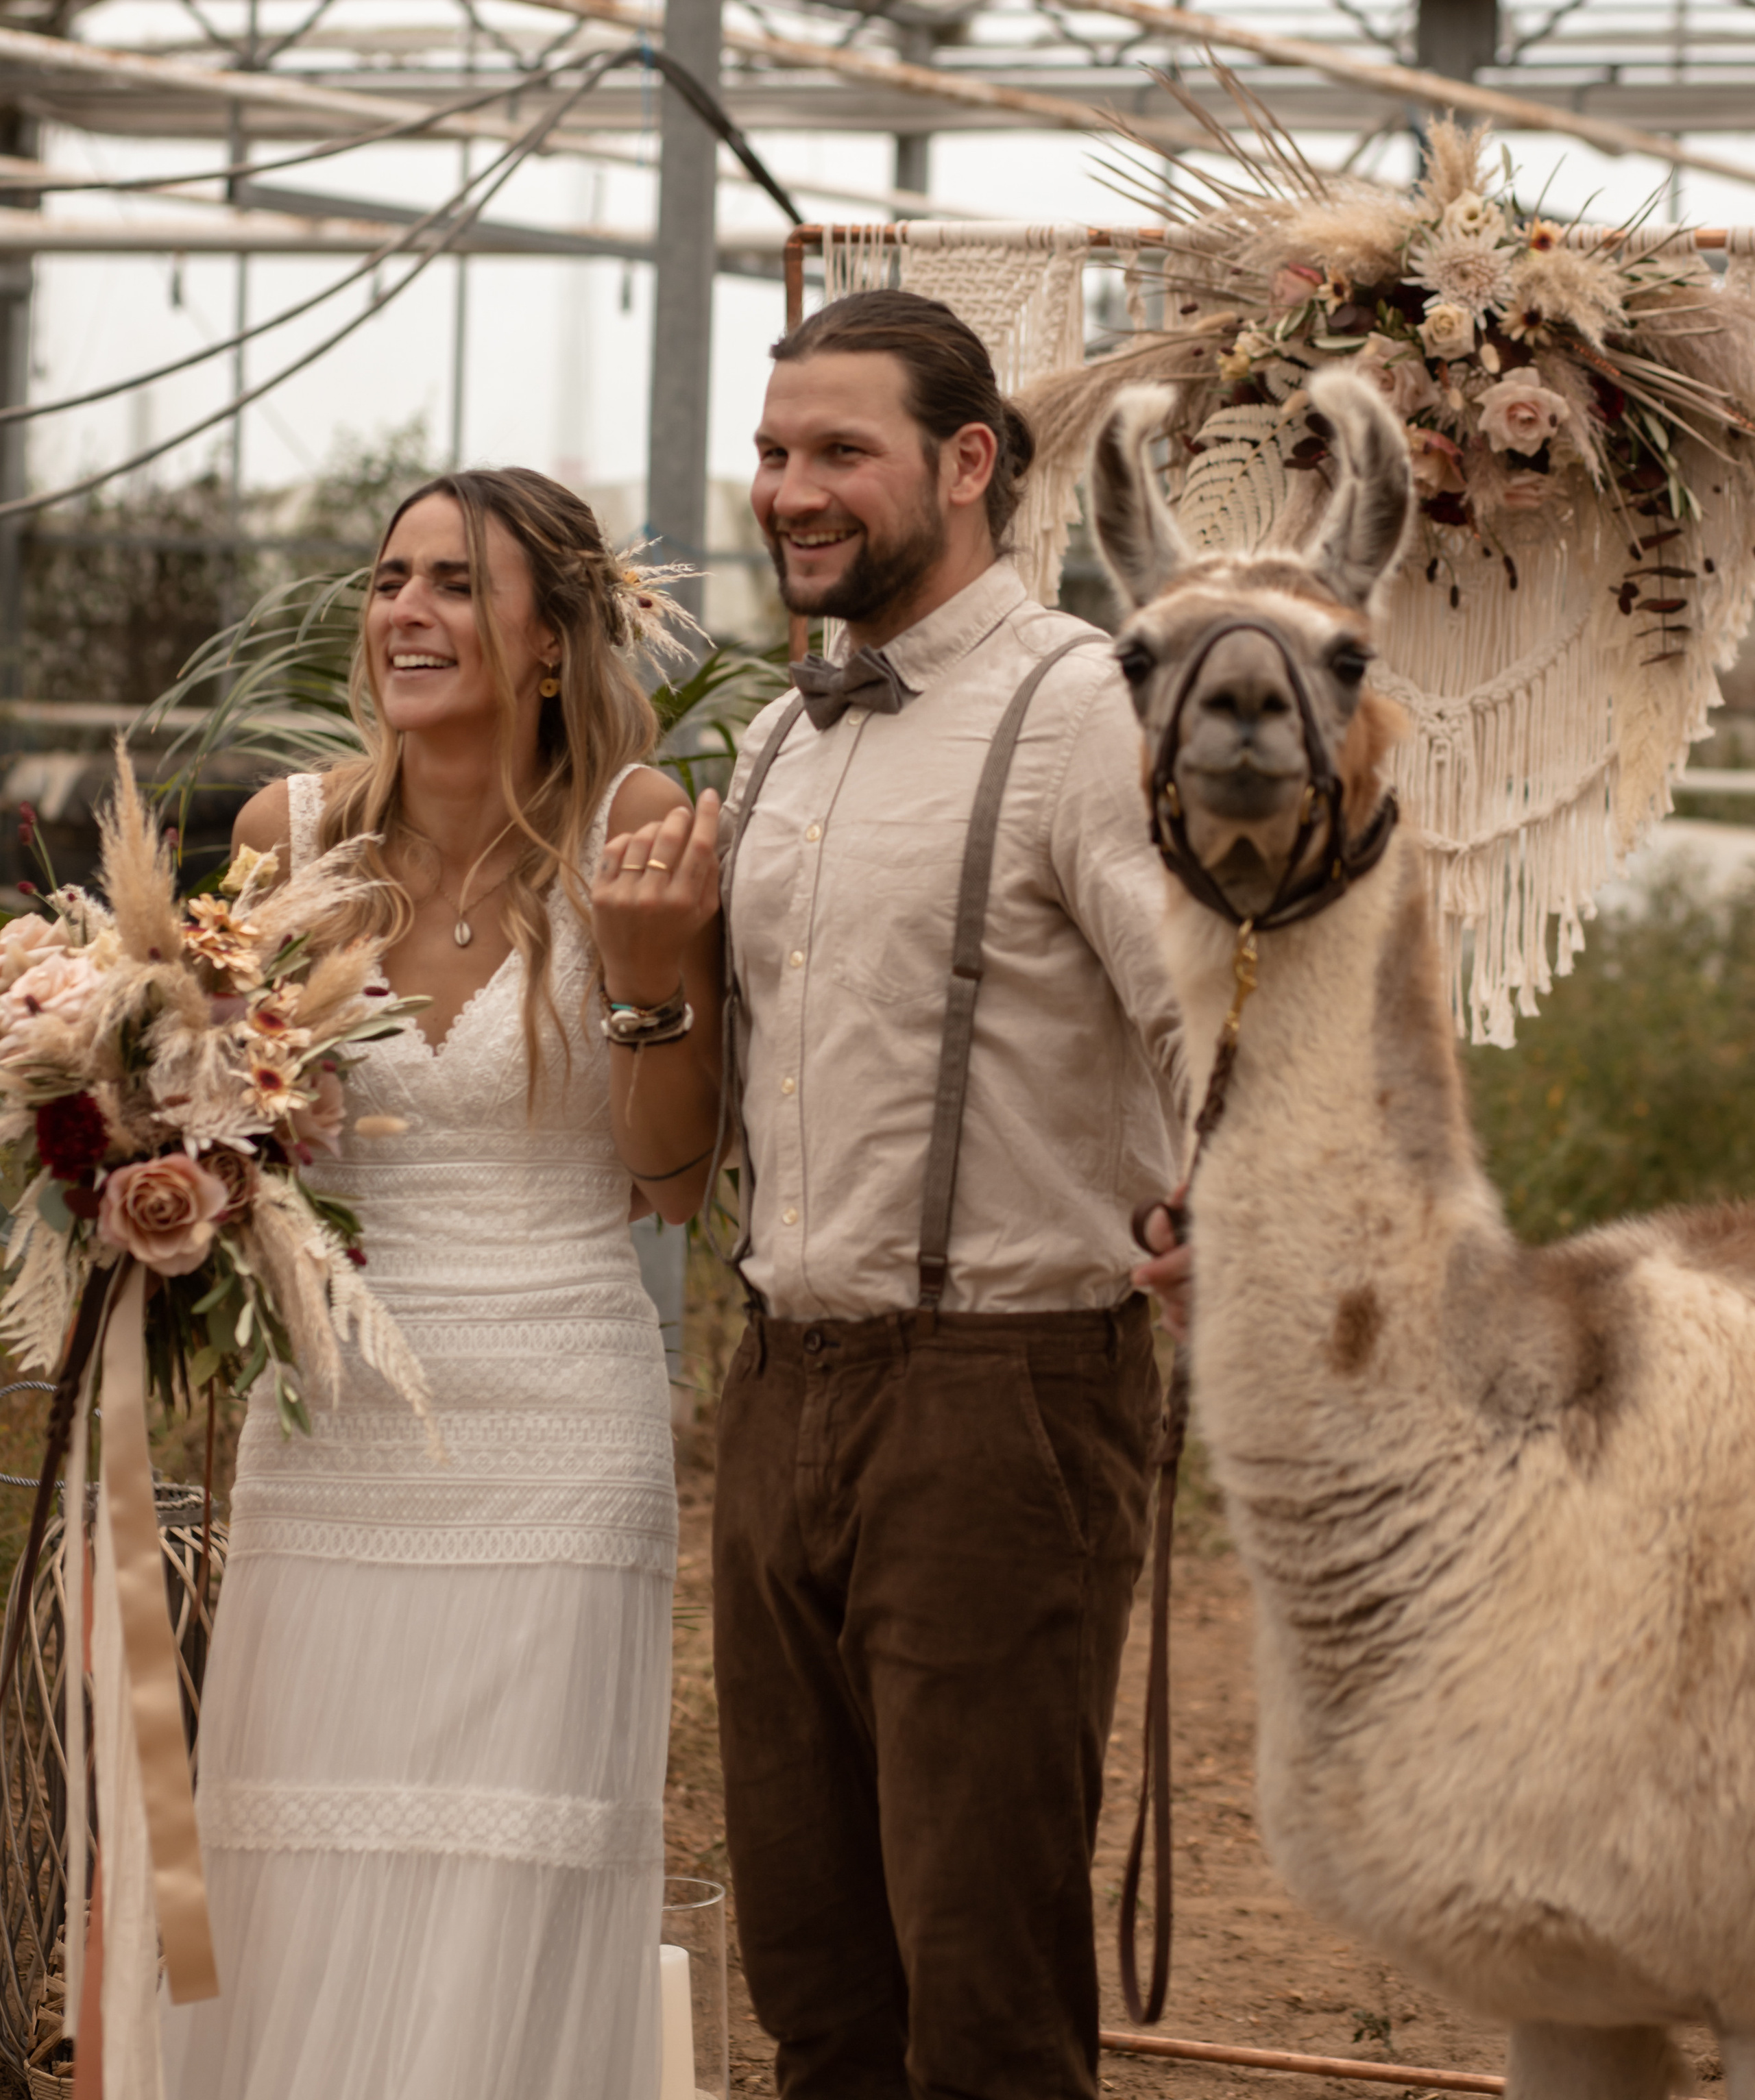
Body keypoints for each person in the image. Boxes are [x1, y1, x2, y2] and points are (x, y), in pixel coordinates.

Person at [621, 289, 1187, 2100]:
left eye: (836, 452)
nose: (790, 488)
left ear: (965, 466)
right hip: (782, 1385)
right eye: (778, 452)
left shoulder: (1088, 709)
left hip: (1006, 1399)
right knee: (813, 1973)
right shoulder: (786, 742)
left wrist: (1216, 1213)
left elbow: (1208, 1023)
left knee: (983, 1989)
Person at [162, 466, 721, 2100]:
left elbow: (673, 1178)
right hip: (330, 1424)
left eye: (456, 585)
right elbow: (222, 1126)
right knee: (299, 1837)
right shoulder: (291, 837)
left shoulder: (640, 828)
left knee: (508, 1871)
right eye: (391, 579)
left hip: (555, 1423)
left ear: (552, 641)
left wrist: (634, 986)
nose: (406, 612)